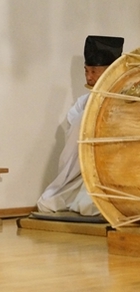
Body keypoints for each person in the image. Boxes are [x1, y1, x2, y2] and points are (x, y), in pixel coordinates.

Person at [37, 35, 124, 216]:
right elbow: (75, 132)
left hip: (115, 170)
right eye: (86, 71)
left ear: (109, 72)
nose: (89, 77)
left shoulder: (125, 98)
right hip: (86, 171)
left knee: (88, 206)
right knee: (47, 202)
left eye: (93, 71)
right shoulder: (84, 102)